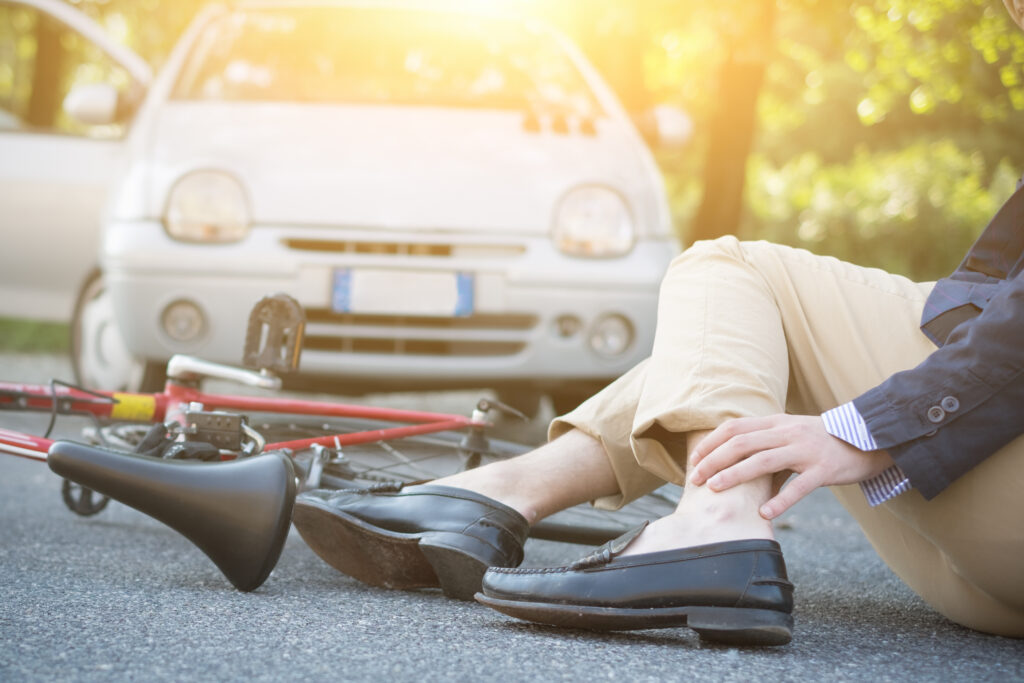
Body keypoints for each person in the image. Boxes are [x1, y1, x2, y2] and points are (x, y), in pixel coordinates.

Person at [291, 2, 1024, 646]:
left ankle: (715, 524)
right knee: (745, 354)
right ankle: (498, 494)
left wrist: (867, 426)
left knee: (734, 268)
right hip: (991, 588)